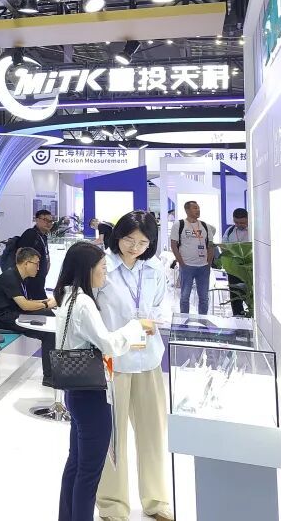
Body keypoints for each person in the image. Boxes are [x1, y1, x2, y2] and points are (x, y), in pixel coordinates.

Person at [54, 242, 155, 521]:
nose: (105, 274)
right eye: (102, 268)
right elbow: (108, 344)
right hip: (91, 394)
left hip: (76, 391)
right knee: (89, 472)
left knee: (76, 464)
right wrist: (136, 326)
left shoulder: (68, 297)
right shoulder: (84, 303)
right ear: (88, 269)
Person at [96, 211, 173, 521]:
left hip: (149, 359)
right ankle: (113, 504)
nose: (135, 247)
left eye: (143, 242)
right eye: (129, 240)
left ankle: (156, 500)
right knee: (113, 437)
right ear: (118, 236)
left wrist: (155, 318)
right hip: (113, 361)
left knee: (153, 433)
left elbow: (163, 303)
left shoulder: (154, 268)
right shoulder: (101, 266)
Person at [0, 246, 58, 386]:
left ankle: (52, 372)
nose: (38, 268)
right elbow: (25, 305)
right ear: (26, 263)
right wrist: (46, 304)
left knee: (50, 320)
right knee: (49, 327)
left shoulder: (19, 277)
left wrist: (45, 302)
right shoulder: (10, 277)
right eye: (36, 264)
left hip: (13, 312)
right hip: (3, 318)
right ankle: (49, 376)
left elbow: (26, 302)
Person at [170, 200, 216, 315]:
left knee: (204, 297)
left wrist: (209, 263)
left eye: (198, 208)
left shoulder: (205, 226)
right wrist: (181, 263)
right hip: (187, 266)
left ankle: (203, 320)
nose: (198, 210)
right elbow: (173, 245)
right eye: (195, 208)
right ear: (187, 210)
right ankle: (184, 320)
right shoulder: (179, 225)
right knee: (185, 296)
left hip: (203, 267)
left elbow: (211, 245)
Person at [18, 209, 55, 297]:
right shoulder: (30, 234)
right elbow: (20, 254)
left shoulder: (43, 236)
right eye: (45, 220)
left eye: (50, 221)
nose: (48, 223)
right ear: (37, 220)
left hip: (39, 278)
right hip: (30, 279)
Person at [222, 207, 249, 316]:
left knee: (250, 295)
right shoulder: (230, 231)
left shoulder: (254, 231)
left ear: (248, 219)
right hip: (234, 270)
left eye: (242, 222)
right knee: (235, 296)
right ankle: (238, 317)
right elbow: (223, 246)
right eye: (236, 222)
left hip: (250, 270)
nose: (239, 225)